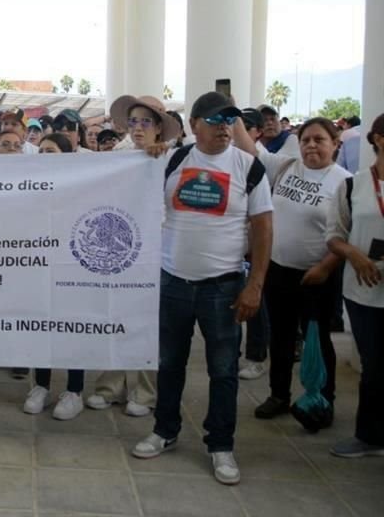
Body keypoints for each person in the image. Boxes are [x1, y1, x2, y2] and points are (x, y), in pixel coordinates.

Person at [132, 92, 273, 486]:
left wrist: (254, 286)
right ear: (194, 125)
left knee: (224, 371)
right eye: (214, 120)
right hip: (173, 281)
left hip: (224, 287)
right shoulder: (173, 160)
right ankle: (165, 430)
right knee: (169, 365)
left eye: (229, 119)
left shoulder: (249, 167)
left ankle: (221, 445)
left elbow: (263, 228)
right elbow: (135, 189)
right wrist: (150, 153)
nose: (224, 127)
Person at [231, 117, 349, 427]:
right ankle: (279, 395)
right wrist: (234, 119)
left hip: (318, 275)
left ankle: (323, 399)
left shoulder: (343, 181)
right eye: (306, 139)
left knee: (318, 340)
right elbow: (250, 151)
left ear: (335, 144)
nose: (311, 145)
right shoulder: (286, 167)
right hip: (278, 270)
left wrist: (325, 267)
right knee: (281, 336)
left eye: (319, 140)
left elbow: (347, 234)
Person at [86, 95, 182, 417]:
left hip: (155, 250)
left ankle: (144, 391)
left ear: (158, 127)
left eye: (146, 122)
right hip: (119, 250)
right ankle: (109, 385)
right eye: (134, 122)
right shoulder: (116, 157)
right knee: (114, 316)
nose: (138, 128)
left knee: (148, 322)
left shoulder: (173, 158)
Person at [325, 113, 384, 457]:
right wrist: (355, 255)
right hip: (363, 291)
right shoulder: (353, 185)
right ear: (377, 138)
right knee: (373, 365)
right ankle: (369, 435)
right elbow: (334, 236)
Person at [21, 132, 87, 419]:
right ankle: (42, 386)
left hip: (71, 266)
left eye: (51, 151)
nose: (45, 156)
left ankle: (74, 391)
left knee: (72, 326)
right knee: (41, 325)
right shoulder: (30, 186)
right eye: (42, 151)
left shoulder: (81, 186)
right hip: (38, 265)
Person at [234, 107, 272, 382]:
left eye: (244, 127)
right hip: (237, 246)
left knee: (258, 303)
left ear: (257, 132)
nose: (237, 131)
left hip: (258, 245)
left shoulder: (264, 160)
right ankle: (237, 353)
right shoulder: (230, 159)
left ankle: (257, 356)